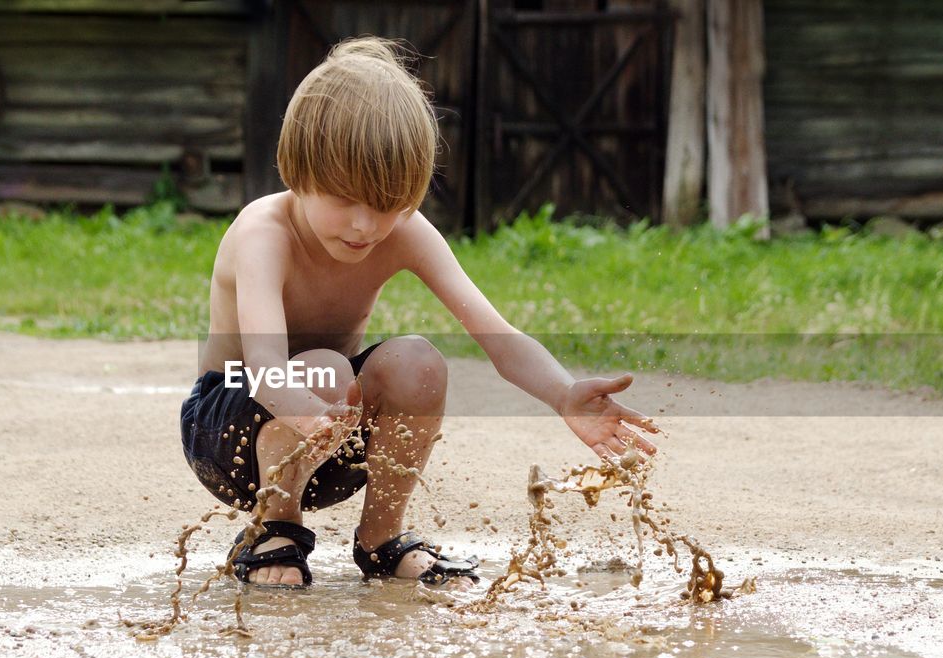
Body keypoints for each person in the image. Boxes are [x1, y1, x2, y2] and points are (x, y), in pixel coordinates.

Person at [179, 36, 657, 590]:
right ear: (297, 171)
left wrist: (563, 393)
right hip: (229, 429)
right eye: (344, 199)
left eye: (387, 204)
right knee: (325, 368)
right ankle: (274, 528)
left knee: (418, 361)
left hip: (332, 435)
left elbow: (496, 338)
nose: (365, 225)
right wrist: (308, 410)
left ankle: (381, 540)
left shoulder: (401, 232)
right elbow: (263, 366)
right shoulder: (265, 232)